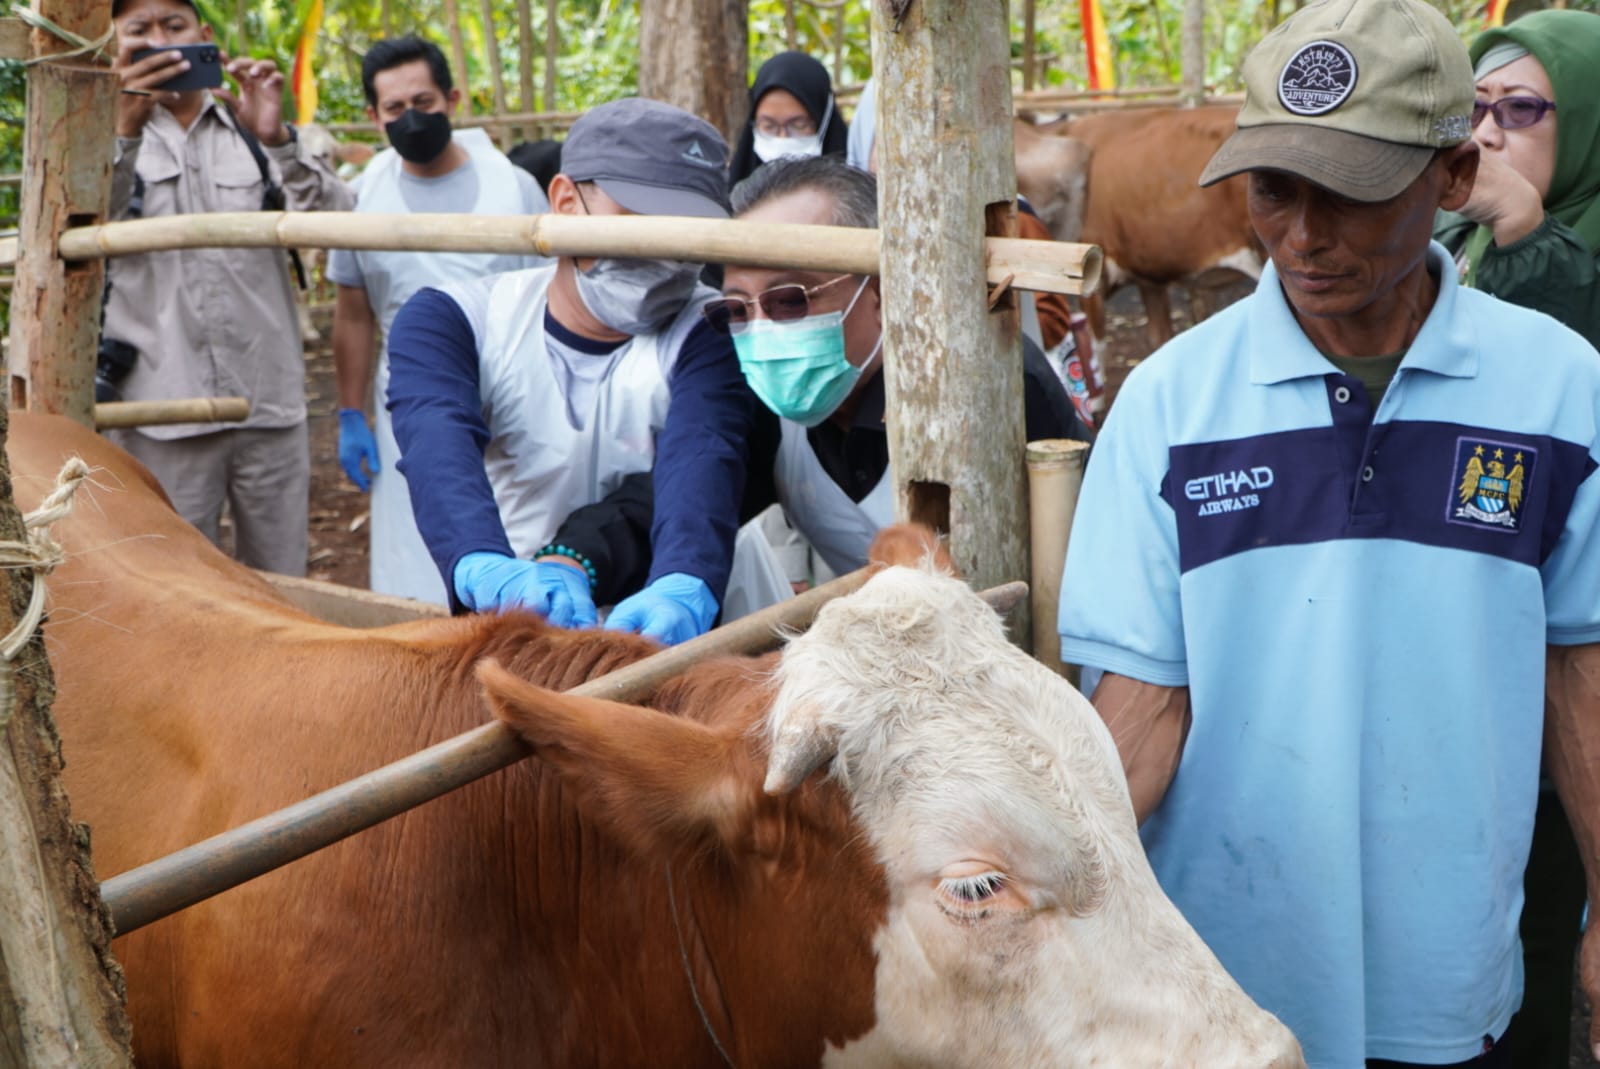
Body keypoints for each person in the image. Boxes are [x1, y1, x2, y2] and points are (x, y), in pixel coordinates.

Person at [1057, 0, 1600, 1065]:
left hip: (1449, 968)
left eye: (1349, 194)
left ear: (1450, 178)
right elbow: (1141, 708)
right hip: (1216, 985)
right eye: (1273, 190)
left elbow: (1582, 667)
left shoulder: (1555, 388)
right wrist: (1061, 918)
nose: (1303, 235)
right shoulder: (1171, 404)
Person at [385, 97, 751, 644]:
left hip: (654, 628)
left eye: (689, 231)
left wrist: (684, 580)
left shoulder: (711, 329)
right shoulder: (457, 320)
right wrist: (482, 563)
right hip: (514, 615)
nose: (667, 253)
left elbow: (705, 455)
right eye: (641, 220)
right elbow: (438, 445)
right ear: (565, 201)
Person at [1431, 13, 1600, 1068]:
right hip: (1454, 665)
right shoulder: (1436, 243)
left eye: (1523, 112)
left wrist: (1531, 240)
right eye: (1472, 113)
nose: (1490, 137)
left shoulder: (1552, 243)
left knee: (1538, 917)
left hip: (1570, 673)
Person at [717, 156, 1090, 594]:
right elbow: (696, 504)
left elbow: (1103, 539)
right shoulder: (762, 412)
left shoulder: (993, 382)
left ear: (879, 290)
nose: (762, 331)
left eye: (790, 300)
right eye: (736, 310)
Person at [105, 0, 353, 575]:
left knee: (283, 583)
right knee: (175, 585)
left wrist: (278, 138)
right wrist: (122, 132)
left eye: (175, 26)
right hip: (162, 411)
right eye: (139, 30)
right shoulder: (97, 135)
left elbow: (338, 217)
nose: (161, 42)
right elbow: (78, 227)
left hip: (269, 404)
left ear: (204, 36)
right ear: (114, 48)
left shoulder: (252, 132)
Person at [327, 34, 550, 604]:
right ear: (374, 116)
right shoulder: (365, 196)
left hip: (509, 391)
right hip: (407, 401)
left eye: (423, 103)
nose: (411, 119)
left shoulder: (512, 187)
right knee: (413, 547)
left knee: (514, 540)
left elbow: (549, 294)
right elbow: (354, 313)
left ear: (452, 97)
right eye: (395, 109)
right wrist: (352, 412)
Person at [725, 51, 849, 187]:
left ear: (824, 122)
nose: (782, 137)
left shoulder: (856, 194)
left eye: (798, 125)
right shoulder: (731, 192)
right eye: (768, 126)